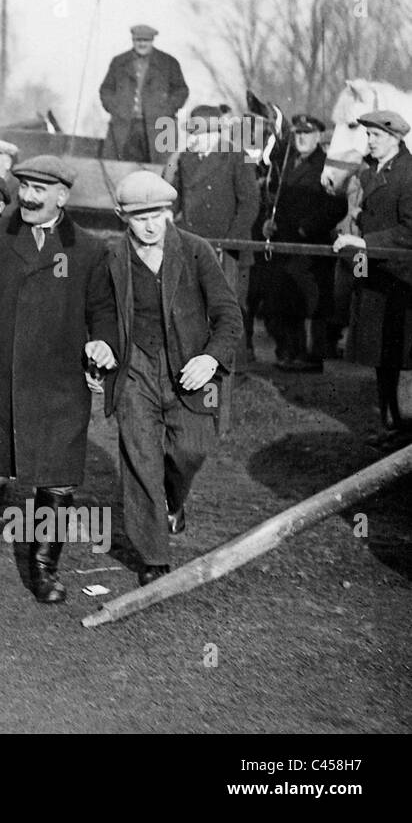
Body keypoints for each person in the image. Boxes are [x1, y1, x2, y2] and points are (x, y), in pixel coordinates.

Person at [0, 154, 118, 602]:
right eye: (23, 186)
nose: (26, 196)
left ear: (62, 196)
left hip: (59, 380)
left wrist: (103, 343)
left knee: (56, 478)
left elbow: (102, 310)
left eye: (39, 189)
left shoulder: (89, 249)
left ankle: (44, 566)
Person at [102, 171, 242, 585]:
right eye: (139, 217)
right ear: (121, 216)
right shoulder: (111, 257)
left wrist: (211, 359)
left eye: (159, 215)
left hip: (188, 367)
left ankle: (172, 501)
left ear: (171, 212)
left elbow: (228, 316)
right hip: (135, 370)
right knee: (141, 458)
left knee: (191, 450)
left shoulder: (196, 252)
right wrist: (100, 346)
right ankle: (154, 557)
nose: (150, 226)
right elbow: (100, 314)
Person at [333, 110, 412, 449]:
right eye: (368, 135)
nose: (370, 141)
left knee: (399, 352)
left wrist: (364, 243)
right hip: (375, 275)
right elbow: (367, 221)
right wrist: (359, 263)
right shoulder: (372, 172)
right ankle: (389, 422)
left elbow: (409, 230)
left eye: (376, 136)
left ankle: (400, 425)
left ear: (395, 138)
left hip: (403, 280)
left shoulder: (408, 174)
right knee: (380, 354)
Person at [168, 104, 261, 363]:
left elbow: (250, 204)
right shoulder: (186, 158)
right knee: (194, 307)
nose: (190, 139)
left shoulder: (237, 156)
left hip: (229, 251)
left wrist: (228, 241)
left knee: (229, 309)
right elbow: (175, 197)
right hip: (195, 247)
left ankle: (235, 370)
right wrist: (165, 213)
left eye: (195, 133)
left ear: (213, 133)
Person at [261, 115, 347, 370]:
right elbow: (277, 201)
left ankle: (312, 356)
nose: (300, 138)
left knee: (313, 303)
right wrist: (270, 221)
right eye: (297, 133)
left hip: (312, 247)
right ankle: (290, 352)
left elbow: (338, 205)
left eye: (307, 134)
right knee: (287, 299)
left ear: (318, 136)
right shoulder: (286, 163)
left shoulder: (326, 166)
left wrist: (308, 226)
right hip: (284, 243)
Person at [99, 24, 189, 164]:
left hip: (160, 127)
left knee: (163, 171)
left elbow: (181, 90)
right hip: (125, 125)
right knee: (116, 167)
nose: (142, 44)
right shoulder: (119, 62)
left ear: (152, 41)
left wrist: (166, 110)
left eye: (145, 41)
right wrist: (116, 108)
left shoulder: (168, 62)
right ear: (133, 40)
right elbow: (106, 89)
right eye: (138, 40)